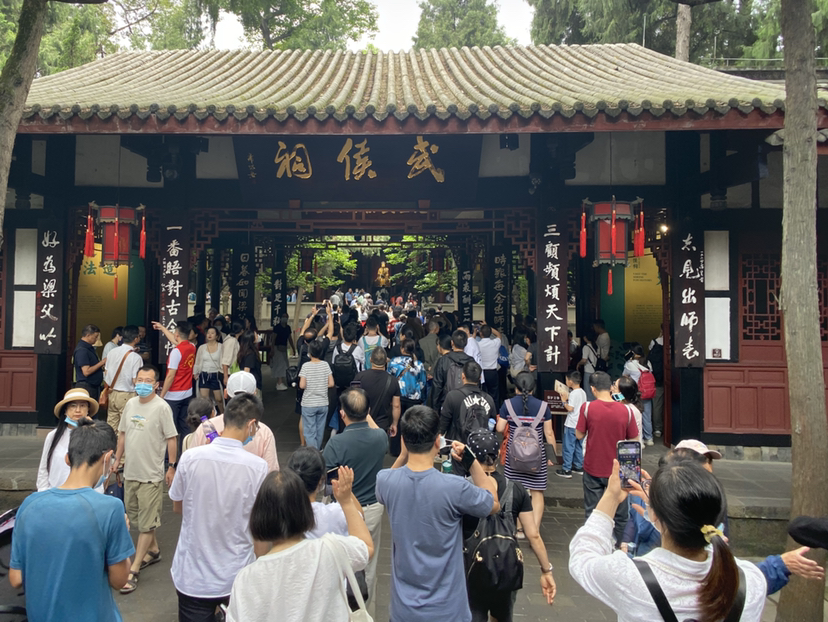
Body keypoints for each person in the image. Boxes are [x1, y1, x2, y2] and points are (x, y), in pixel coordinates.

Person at [569, 460, 767, 621]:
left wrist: (612, 497)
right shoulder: (750, 581)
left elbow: (583, 555)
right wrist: (660, 510)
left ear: (655, 514)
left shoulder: (629, 578)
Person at [376, 405, 499, 622]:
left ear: (403, 440)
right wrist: (471, 462)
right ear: (437, 441)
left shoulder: (386, 481)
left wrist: (403, 455)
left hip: (403, 610)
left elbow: (385, 483)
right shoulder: (454, 487)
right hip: (448, 610)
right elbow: (493, 503)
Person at [10, 419, 134, 621]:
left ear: (67, 459)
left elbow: (16, 578)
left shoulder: (29, 505)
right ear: (108, 457)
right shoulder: (110, 509)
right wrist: (123, 532)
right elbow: (120, 580)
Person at [225, 466, 373, 622]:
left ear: (260, 515)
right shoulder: (329, 549)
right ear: (304, 510)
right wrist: (346, 501)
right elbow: (366, 547)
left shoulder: (246, 579)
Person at [170, 393, 269, 621]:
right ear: (251, 424)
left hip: (192, 575)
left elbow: (177, 506)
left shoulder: (190, 458)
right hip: (236, 574)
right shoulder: (257, 468)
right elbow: (260, 528)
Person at [463, 430, 556, 620]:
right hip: (505, 566)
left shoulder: (463, 487)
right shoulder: (516, 488)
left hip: (472, 569)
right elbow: (533, 535)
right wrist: (546, 570)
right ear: (498, 454)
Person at [113, 364, 178, 594]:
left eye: (148, 381)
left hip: (151, 475)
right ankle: (154, 550)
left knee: (146, 523)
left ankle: (134, 569)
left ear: (156, 384)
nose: (142, 384)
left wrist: (171, 467)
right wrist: (117, 460)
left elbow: (171, 438)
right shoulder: (131, 404)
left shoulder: (162, 408)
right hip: (131, 472)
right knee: (137, 518)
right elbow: (123, 434)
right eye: (139, 380)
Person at [323, 388, 389, 614]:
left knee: (341, 561)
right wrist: (365, 412)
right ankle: (364, 611)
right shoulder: (380, 438)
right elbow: (375, 428)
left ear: (342, 414)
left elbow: (327, 480)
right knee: (368, 562)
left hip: (344, 509)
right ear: (368, 411)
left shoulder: (336, 444)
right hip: (373, 508)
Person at [575, 371, 640, 545]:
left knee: (592, 511)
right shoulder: (626, 410)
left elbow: (579, 434)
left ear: (592, 389)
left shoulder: (587, 408)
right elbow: (634, 440)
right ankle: (621, 547)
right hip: (620, 469)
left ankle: (593, 545)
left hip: (593, 466)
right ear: (611, 387)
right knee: (621, 514)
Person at [496, 371, 555, 534]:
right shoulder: (543, 407)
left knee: (514, 490)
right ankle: (533, 531)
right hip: (537, 458)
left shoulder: (507, 404)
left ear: (516, 388)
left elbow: (500, 428)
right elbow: (549, 434)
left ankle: (518, 528)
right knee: (537, 493)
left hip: (514, 457)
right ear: (533, 388)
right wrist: (551, 456)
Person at [190, 371, 280, 472]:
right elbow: (271, 473)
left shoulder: (205, 428)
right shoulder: (264, 432)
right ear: (255, 395)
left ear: (225, 393)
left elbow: (192, 468)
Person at [287, 446, 360, 538]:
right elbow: (359, 516)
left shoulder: (281, 511)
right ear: (320, 480)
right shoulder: (335, 512)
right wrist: (347, 494)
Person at [37, 388, 101, 491]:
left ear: (88, 410)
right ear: (65, 410)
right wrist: (43, 491)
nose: (78, 410)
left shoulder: (94, 436)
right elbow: (43, 468)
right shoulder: (53, 436)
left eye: (82, 406)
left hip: (84, 494)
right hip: (55, 492)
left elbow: (99, 469)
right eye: (73, 406)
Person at [155, 321, 196, 444]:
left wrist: (161, 395)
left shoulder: (176, 352)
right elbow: (177, 341)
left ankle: (169, 455)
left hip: (173, 394)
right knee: (185, 426)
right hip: (187, 392)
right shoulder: (192, 346)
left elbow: (170, 376)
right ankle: (185, 449)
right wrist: (162, 328)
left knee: (170, 429)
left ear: (177, 334)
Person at [440, 360, 495, 446]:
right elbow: (492, 426)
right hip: (480, 446)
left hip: (456, 446)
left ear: (463, 376)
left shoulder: (453, 396)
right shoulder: (488, 399)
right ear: (480, 378)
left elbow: (443, 425)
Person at [102, 324, 142, 432]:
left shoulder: (112, 352)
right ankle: (122, 444)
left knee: (111, 424)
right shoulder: (136, 357)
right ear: (136, 338)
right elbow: (135, 380)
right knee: (125, 427)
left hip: (112, 392)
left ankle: (110, 443)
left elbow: (106, 373)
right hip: (127, 394)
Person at [299, 338, 333, 449]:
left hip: (309, 403)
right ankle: (317, 450)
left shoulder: (305, 366)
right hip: (323, 402)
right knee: (319, 430)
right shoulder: (325, 365)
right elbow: (331, 383)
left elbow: (302, 385)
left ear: (309, 352)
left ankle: (313, 453)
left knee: (309, 431)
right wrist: (321, 385)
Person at [432, 330, 475, 415]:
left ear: (452, 343)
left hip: (447, 402)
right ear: (466, 343)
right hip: (467, 402)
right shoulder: (471, 361)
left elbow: (437, 385)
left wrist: (435, 407)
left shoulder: (443, 360)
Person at [556, 370, 586, 478]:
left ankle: (566, 469)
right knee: (578, 446)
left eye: (566, 380)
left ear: (570, 381)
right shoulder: (583, 392)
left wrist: (564, 401)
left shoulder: (573, 393)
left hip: (571, 424)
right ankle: (579, 466)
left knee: (568, 446)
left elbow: (570, 408)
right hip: (580, 424)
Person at [623, 343, 654, 445]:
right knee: (647, 416)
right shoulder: (647, 362)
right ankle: (649, 438)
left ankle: (640, 440)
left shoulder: (630, 364)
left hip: (635, 393)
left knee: (636, 417)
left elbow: (624, 376)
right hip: (647, 392)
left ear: (634, 353)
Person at [193, 325, 224, 412]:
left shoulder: (221, 347)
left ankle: (223, 415)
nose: (209, 335)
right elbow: (197, 361)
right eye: (208, 333)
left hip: (215, 374)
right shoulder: (202, 347)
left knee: (219, 399)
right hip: (204, 374)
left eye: (212, 333)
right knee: (204, 400)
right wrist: (195, 373)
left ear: (217, 336)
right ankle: (207, 417)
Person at [73, 324, 106, 401]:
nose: (96, 339)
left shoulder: (89, 348)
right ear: (88, 335)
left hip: (93, 386)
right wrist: (102, 362)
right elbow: (86, 371)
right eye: (95, 337)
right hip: (86, 386)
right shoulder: (82, 350)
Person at [476, 323, 502, 404]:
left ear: (480, 333)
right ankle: (495, 410)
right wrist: (488, 325)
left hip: (482, 373)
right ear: (490, 333)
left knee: (482, 395)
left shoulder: (477, 344)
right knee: (494, 395)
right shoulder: (495, 343)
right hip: (492, 372)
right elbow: (498, 334)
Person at [613, 376, 643, 443]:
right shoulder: (621, 406)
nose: (612, 389)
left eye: (615, 387)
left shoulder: (631, 410)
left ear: (621, 393)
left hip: (628, 447)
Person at [271, 311, 296, 391]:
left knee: (284, 364)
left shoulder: (288, 328)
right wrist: (272, 348)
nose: (285, 318)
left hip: (284, 348)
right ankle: (279, 382)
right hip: (277, 348)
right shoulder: (277, 327)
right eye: (283, 317)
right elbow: (273, 338)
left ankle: (280, 381)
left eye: (286, 317)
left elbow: (290, 338)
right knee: (280, 365)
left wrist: (293, 348)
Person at [237, 330, 263, 396]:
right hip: (253, 385)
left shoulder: (244, 351)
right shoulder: (251, 354)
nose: (258, 336)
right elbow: (247, 371)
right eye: (256, 336)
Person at [577, 331, 598, 402]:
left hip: (588, 370)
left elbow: (584, 360)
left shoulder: (586, 347)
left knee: (587, 389)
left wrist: (578, 364)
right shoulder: (595, 346)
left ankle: (589, 404)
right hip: (594, 370)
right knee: (593, 389)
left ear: (585, 338)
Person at [221, 321, 244, 387]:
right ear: (241, 330)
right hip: (228, 372)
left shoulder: (234, 340)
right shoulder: (231, 341)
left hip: (232, 371)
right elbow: (225, 360)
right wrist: (225, 377)